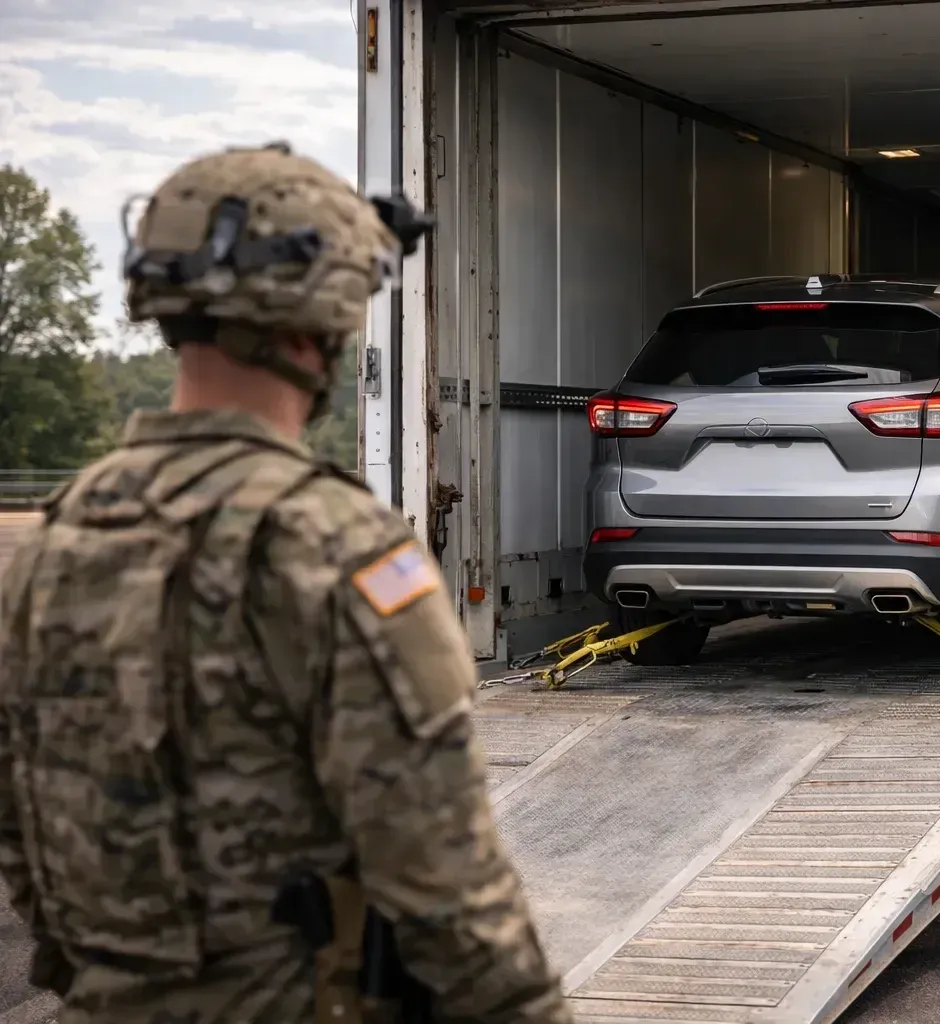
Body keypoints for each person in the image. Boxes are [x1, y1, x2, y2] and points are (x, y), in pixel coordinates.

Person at [0, 142, 571, 1023]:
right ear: (320, 324)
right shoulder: (335, 548)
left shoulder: (53, 542)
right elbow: (449, 894)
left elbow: (24, 841)